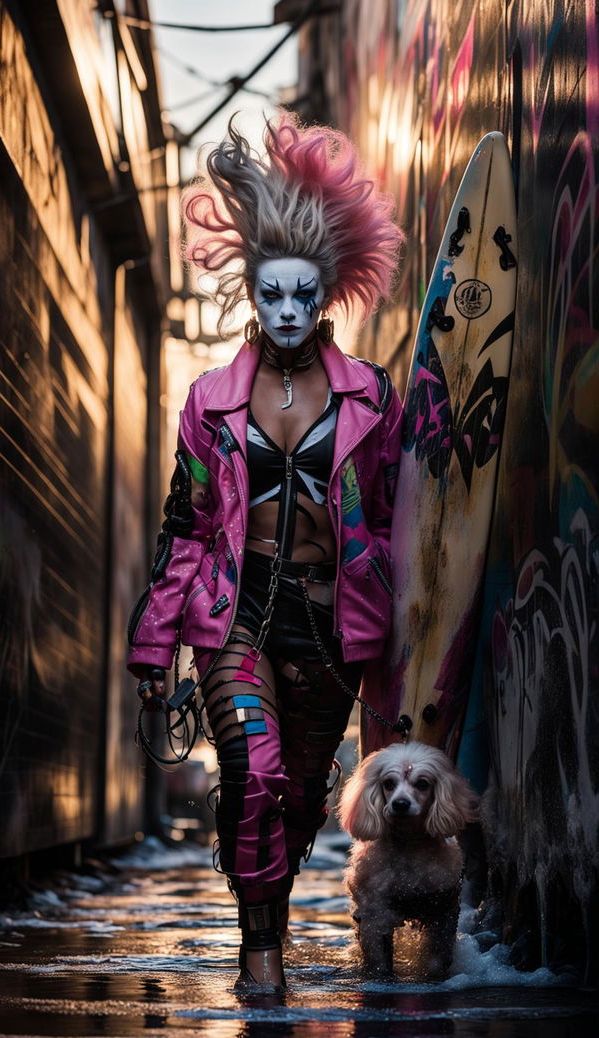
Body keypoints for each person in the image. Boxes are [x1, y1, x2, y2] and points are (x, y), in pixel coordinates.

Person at [127, 113, 404, 992]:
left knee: (296, 800)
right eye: (271, 295)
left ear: (325, 295)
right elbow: (188, 526)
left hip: (331, 625)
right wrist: (151, 644)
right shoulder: (210, 402)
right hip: (234, 617)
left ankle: (268, 921)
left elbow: (401, 520)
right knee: (252, 774)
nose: (286, 312)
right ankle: (262, 960)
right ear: (252, 293)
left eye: (302, 296)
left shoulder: (372, 396)